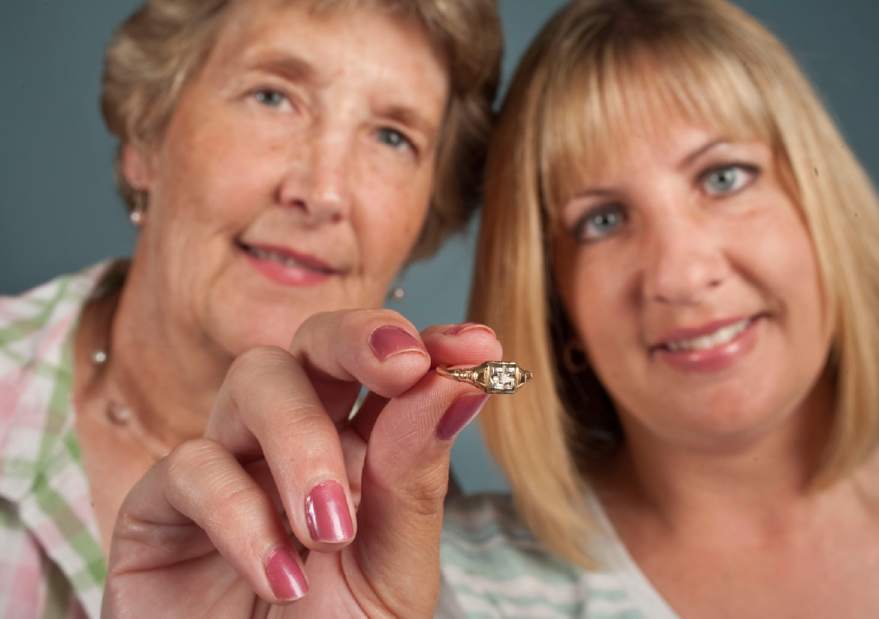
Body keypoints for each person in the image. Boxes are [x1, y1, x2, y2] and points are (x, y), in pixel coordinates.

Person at [0, 0, 502, 616]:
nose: (322, 192)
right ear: (146, 138)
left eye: (392, 137)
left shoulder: (457, 578)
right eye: (273, 97)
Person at [439, 0, 879, 616]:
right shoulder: (451, 588)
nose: (682, 275)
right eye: (603, 220)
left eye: (723, 178)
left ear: (820, 208)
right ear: (554, 303)